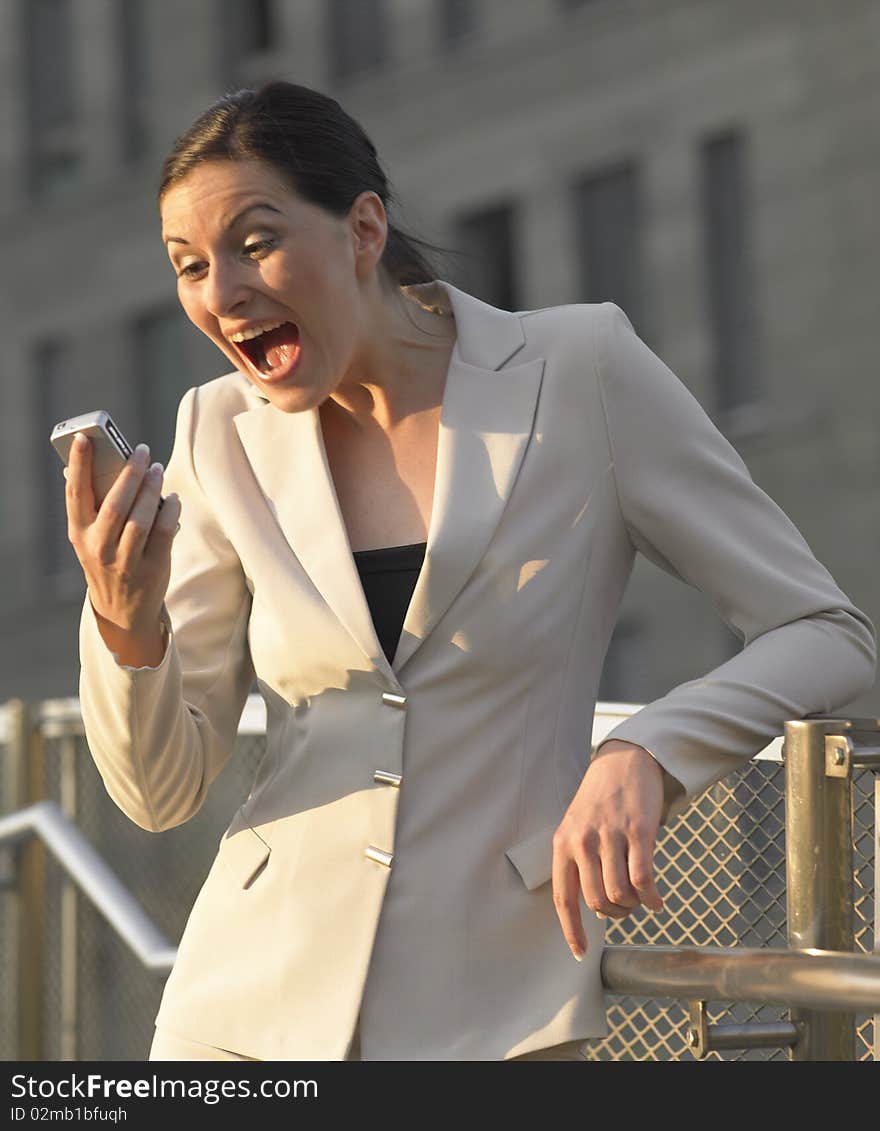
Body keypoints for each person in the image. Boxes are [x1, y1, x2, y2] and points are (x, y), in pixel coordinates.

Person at [68, 81, 876, 1062]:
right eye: (189, 265)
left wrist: (647, 753)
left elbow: (827, 632)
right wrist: (125, 624)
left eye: (255, 242)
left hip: (495, 1010)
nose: (220, 293)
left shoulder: (582, 369)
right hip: (241, 1013)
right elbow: (159, 793)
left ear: (363, 230)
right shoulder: (218, 431)